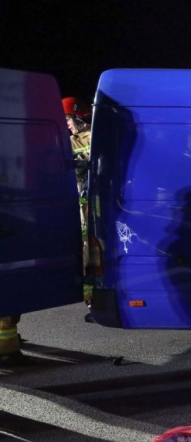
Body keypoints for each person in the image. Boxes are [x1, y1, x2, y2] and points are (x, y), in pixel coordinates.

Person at [63, 97, 92, 302]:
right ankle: (89, 293)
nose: (67, 125)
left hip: (92, 202)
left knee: (90, 246)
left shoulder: (96, 136)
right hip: (81, 203)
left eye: (68, 120)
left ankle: (92, 295)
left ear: (79, 118)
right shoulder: (71, 141)